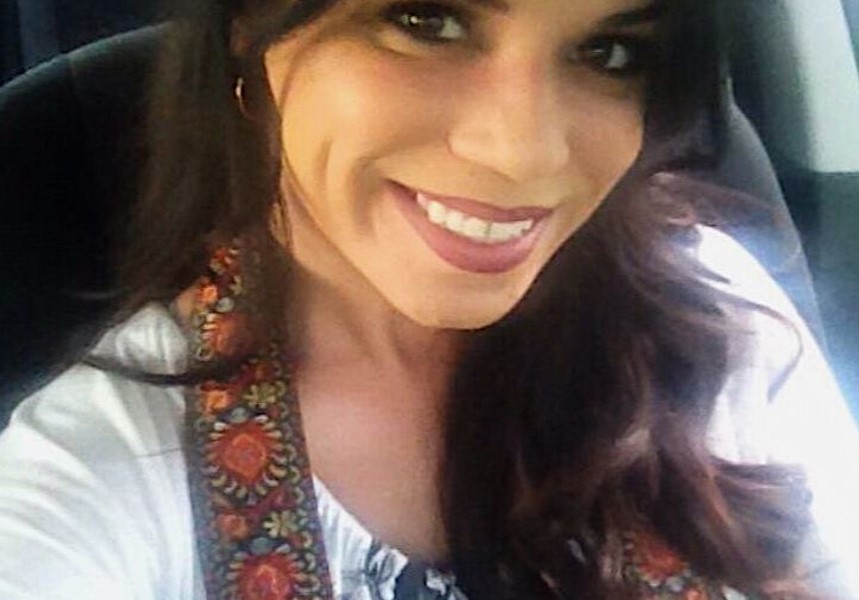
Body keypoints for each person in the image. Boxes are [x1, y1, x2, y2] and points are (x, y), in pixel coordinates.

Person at [0, 0, 858, 598]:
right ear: (249, 29)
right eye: (425, 21)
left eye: (608, 52)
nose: (522, 154)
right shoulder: (109, 465)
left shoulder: (712, 313)